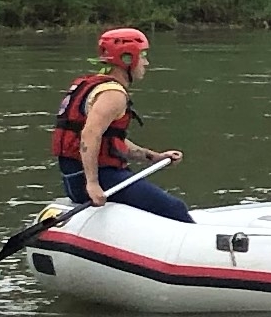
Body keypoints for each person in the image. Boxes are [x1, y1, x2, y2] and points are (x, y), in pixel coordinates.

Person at [54, 26, 193, 220]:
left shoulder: (92, 85)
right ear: (127, 59)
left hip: (75, 178)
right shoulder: (113, 95)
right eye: (142, 56)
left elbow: (111, 140)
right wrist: (92, 184)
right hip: (98, 179)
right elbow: (89, 135)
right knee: (175, 209)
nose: (146, 62)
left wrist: (155, 157)